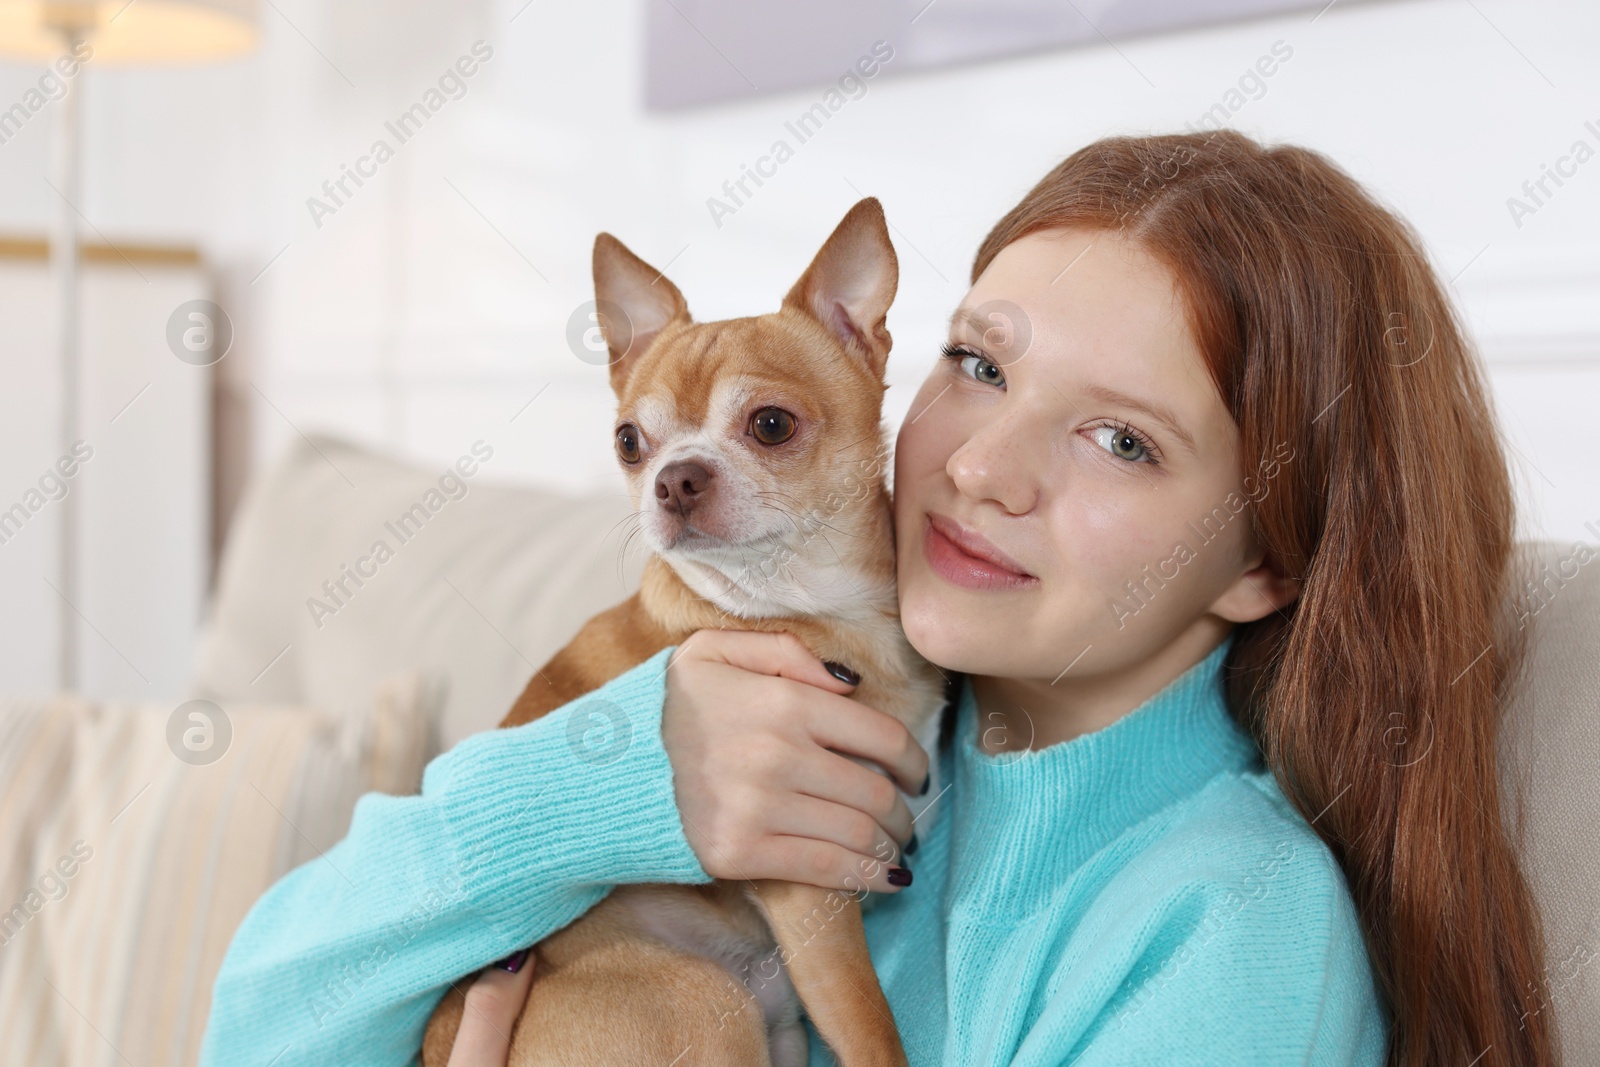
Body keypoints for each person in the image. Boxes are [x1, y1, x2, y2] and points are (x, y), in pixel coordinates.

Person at [199, 130, 1555, 1066]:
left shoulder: (1226, 928)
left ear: (1272, 556)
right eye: (978, 365)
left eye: (1123, 440)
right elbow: (251, 1025)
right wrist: (593, 789)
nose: (982, 465)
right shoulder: (781, 721)